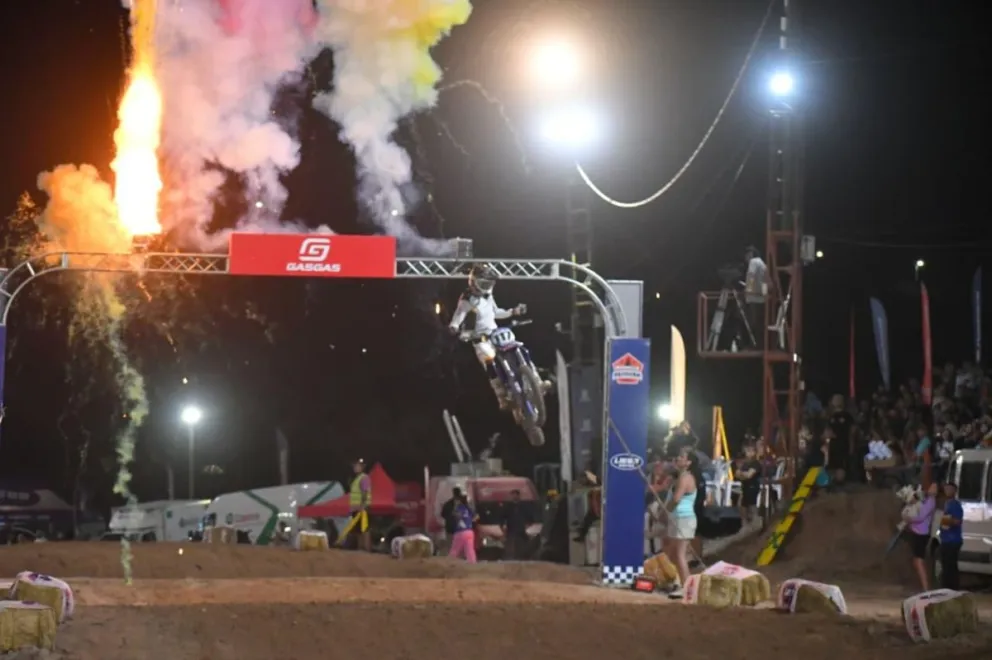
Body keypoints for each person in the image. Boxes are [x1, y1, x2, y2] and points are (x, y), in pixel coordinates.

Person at [448, 264, 529, 408]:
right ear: (473, 282)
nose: (487, 287)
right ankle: (502, 398)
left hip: (495, 333)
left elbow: (496, 312)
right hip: (480, 340)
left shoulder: (488, 294)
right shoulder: (466, 300)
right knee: (490, 362)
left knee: (518, 347)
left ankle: (535, 379)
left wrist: (512, 311)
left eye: (489, 284)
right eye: (484, 283)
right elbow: (459, 315)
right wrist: (454, 327)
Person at [664, 448, 699, 600]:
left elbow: (677, 499)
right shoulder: (681, 477)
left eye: (681, 457)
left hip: (684, 519)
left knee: (679, 554)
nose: (678, 458)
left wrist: (665, 511)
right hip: (677, 519)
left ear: (688, 462)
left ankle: (686, 587)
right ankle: (681, 581)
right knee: (672, 554)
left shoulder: (685, 478)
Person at [904, 482, 937, 592]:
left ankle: (926, 588)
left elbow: (920, 516)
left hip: (921, 533)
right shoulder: (925, 500)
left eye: (934, 487)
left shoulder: (930, 501)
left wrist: (909, 519)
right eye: (931, 486)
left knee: (918, 561)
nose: (931, 489)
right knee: (917, 561)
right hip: (918, 532)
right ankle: (924, 586)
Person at [939, 482, 964, 590]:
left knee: (951, 567)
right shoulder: (946, 504)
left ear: (955, 491)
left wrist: (946, 520)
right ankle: (946, 589)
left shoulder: (955, 505)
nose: (947, 491)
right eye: (946, 489)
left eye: (950, 489)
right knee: (945, 567)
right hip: (945, 540)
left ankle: (953, 589)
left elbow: (958, 521)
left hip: (953, 540)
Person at [743, 245, 768, 349]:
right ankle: (760, 345)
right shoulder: (762, 263)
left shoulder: (753, 262)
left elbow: (751, 275)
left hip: (754, 298)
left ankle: (753, 345)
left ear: (750, 254)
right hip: (761, 298)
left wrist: (747, 289)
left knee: (752, 323)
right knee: (759, 324)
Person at [348, 458, 372, 552]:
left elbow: (365, 492)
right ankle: (360, 548)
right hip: (355, 508)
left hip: (362, 508)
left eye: (357, 466)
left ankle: (365, 548)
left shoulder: (364, 478)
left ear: (362, 467)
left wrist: (362, 505)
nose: (355, 468)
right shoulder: (356, 479)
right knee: (358, 530)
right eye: (354, 466)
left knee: (364, 529)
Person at [501, 489, 533, 560]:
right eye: (512, 495)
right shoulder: (508, 506)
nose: (513, 496)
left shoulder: (524, 506)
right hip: (511, 528)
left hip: (521, 528)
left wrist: (528, 524)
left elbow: (530, 516)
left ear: (518, 495)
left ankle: (524, 556)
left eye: (515, 494)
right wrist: (503, 525)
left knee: (523, 543)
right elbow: (503, 516)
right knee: (510, 543)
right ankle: (509, 557)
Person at [448, 491, 477, 563]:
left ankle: (449, 563)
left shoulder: (459, 508)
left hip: (460, 531)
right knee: (470, 550)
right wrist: (470, 520)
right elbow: (476, 517)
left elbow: (456, 515)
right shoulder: (469, 508)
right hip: (470, 531)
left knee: (454, 550)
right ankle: (473, 564)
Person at [737, 444, 762, 523]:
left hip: (752, 486)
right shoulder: (745, 464)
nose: (747, 453)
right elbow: (738, 474)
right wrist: (742, 474)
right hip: (745, 486)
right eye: (746, 451)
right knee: (742, 505)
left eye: (749, 451)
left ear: (753, 452)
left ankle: (755, 521)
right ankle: (744, 522)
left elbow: (749, 475)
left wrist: (742, 473)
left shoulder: (755, 463)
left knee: (751, 505)